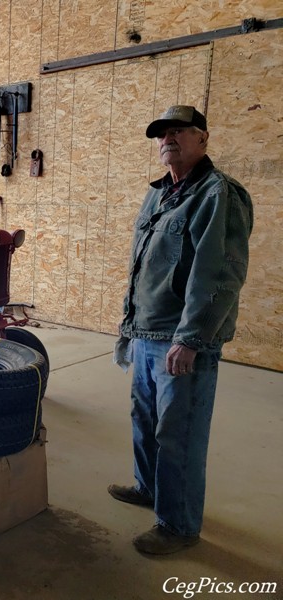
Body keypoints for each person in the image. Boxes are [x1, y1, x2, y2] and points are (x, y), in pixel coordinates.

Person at [111, 105, 253, 555]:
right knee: (145, 421)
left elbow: (218, 275)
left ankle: (179, 525)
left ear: (203, 139)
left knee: (179, 434)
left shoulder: (218, 194)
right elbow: (140, 270)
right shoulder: (157, 196)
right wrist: (128, 328)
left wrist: (192, 338)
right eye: (161, 135)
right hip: (147, 332)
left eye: (178, 132)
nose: (167, 140)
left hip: (179, 340)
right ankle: (148, 489)